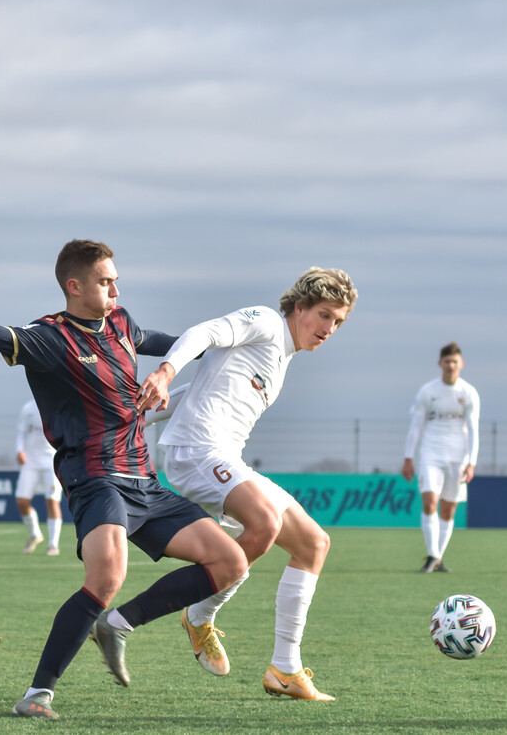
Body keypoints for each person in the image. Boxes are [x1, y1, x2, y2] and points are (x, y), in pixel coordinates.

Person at [0, 240, 248, 721]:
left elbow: (167, 343)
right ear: (74, 287)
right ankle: (37, 694)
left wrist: (225, 348)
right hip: (95, 477)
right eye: (104, 280)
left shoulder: (121, 323)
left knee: (230, 562)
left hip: (144, 479)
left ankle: (118, 626)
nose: (115, 287)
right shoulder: (48, 338)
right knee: (108, 574)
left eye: (115, 278)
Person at [138, 267, 358, 702]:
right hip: (196, 453)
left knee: (313, 543)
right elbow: (204, 332)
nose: (330, 329)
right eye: (325, 315)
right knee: (263, 522)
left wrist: (139, 417)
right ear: (299, 307)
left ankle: (285, 669)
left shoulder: (281, 360)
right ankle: (199, 616)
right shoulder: (265, 322)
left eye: (338, 322)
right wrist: (165, 370)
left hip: (224, 459)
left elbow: (199, 393)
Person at [400, 342, 480, 573]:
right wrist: (408, 458)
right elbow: (416, 426)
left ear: (461, 364)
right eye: (447, 362)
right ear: (440, 364)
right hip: (431, 453)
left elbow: (474, 430)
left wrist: (472, 462)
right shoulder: (428, 391)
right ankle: (433, 555)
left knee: (448, 509)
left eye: (455, 362)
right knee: (430, 503)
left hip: (458, 456)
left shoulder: (469, 393)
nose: (451, 366)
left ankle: (437, 558)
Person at [16, 399, 63, 555]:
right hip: (30, 462)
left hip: (51, 461)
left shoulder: (59, 405)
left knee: (52, 501)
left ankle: (53, 544)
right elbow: (22, 432)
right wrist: (19, 450)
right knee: (22, 501)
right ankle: (35, 534)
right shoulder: (28, 408)